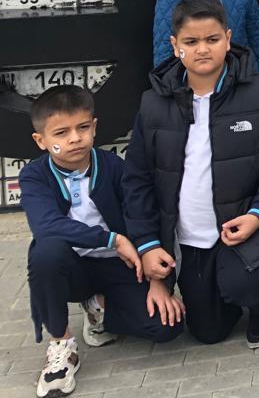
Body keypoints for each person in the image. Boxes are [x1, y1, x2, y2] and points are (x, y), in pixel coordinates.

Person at [123, 0, 259, 347]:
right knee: (208, 332)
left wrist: (258, 215)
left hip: (242, 226)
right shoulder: (152, 104)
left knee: (246, 283)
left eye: (212, 39)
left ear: (228, 39)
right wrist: (148, 244)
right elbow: (137, 179)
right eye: (191, 41)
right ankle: (220, 293)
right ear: (175, 45)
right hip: (190, 237)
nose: (202, 49)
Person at [21, 87, 183, 397]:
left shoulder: (115, 166)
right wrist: (112, 239)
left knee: (167, 326)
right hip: (73, 268)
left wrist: (159, 281)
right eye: (62, 132)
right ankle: (61, 346)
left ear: (94, 127)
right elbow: (46, 225)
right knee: (46, 250)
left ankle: (99, 309)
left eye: (83, 127)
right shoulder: (34, 176)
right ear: (41, 140)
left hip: (120, 264)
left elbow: (146, 217)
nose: (75, 138)